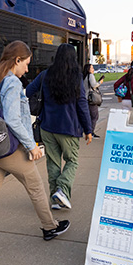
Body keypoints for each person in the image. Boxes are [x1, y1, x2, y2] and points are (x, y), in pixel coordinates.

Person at [0, 40, 70, 264]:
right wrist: (31, 145)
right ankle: (49, 228)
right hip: (12, 152)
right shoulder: (12, 82)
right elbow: (13, 118)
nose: (27, 69)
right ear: (17, 60)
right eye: (26, 63)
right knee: (36, 188)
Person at [26, 46, 92, 211]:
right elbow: (82, 104)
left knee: (53, 163)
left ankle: (55, 200)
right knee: (72, 161)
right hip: (68, 128)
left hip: (47, 127)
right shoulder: (76, 77)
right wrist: (88, 129)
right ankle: (62, 190)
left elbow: (27, 91)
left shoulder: (45, 74)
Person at [113, 60, 133, 125]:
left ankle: (124, 131)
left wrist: (119, 95)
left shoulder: (127, 75)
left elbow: (116, 84)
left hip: (125, 100)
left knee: (125, 118)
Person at [83, 63, 104, 138]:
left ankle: (86, 130)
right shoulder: (90, 75)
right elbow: (94, 85)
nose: (93, 69)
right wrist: (100, 82)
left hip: (85, 98)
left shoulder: (84, 76)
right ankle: (90, 131)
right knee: (94, 116)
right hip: (91, 99)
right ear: (88, 69)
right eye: (92, 68)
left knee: (88, 116)